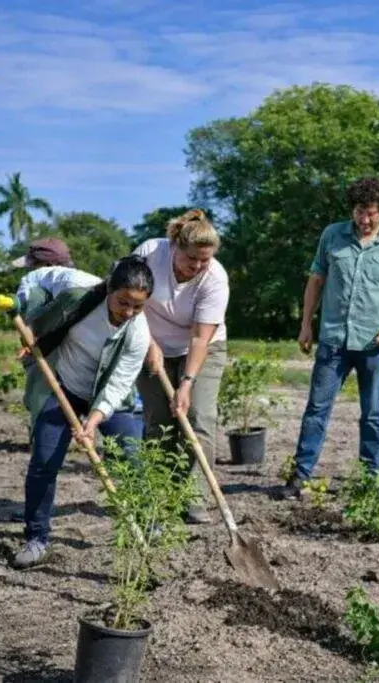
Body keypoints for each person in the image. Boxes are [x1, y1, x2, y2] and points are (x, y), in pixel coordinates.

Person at [275, 177, 379, 500]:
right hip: (333, 340)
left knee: (373, 413)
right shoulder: (332, 236)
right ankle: (299, 476)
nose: (364, 220)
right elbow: (316, 280)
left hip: (374, 345)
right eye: (359, 211)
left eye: (370, 213)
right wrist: (306, 324)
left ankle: (372, 480)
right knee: (316, 409)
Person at [11, 255, 153, 569]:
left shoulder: (138, 333)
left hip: (107, 397)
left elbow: (118, 384)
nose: (128, 312)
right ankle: (36, 538)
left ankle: (147, 524)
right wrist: (23, 308)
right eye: (123, 302)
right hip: (64, 386)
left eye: (138, 306)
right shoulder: (80, 290)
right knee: (44, 461)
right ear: (109, 289)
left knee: (131, 455)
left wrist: (94, 419)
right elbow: (37, 278)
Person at [133, 209, 229, 525]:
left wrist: (186, 383)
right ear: (175, 246)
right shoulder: (149, 254)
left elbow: (202, 339)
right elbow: (128, 300)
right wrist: (149, 344)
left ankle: (193, 498)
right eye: (193, 259)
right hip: (151, 341)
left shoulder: (215, 278)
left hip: (202, 348)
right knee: (159, 421)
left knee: (199, 417)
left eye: (206, 260)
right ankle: (156, 494)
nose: (199, 266)